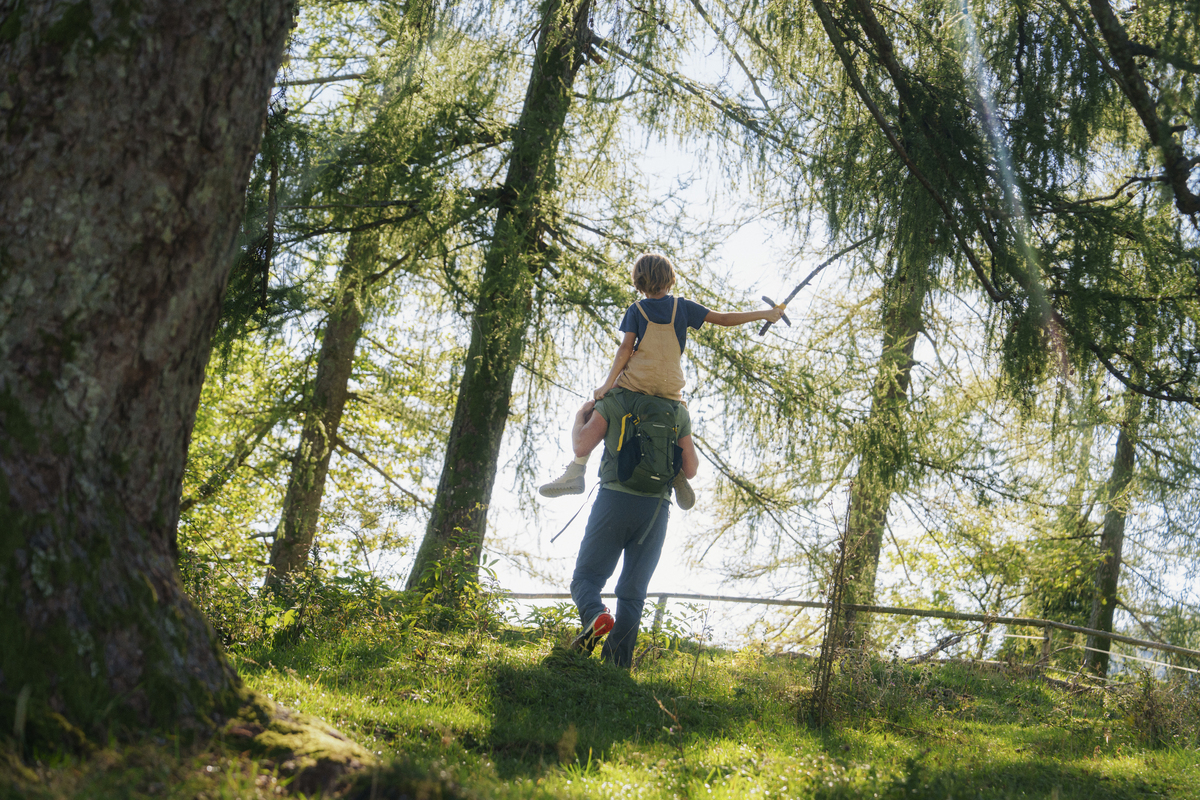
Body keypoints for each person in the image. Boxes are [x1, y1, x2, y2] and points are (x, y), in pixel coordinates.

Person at [539, 253, 785, 507]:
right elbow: (723, 319)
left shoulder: (636, 310)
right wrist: (765, 314)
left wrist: (605, 387)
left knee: (599, 402)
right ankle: (677, 469)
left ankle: (576, 471)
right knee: (678, 416)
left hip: (636, 384)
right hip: (670, 390)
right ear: (670, 279)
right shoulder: (683, 307)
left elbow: (625, 350)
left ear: (638, 282)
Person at [565, 394, 698, 666]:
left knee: (586, 578)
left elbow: (581, 446)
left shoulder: (615, 400)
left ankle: (594, 615)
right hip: (656, 509)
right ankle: (616, 668)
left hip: (614, 500)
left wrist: (581, 415)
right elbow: (691, 469)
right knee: (633, 591)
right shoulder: (678, 411)